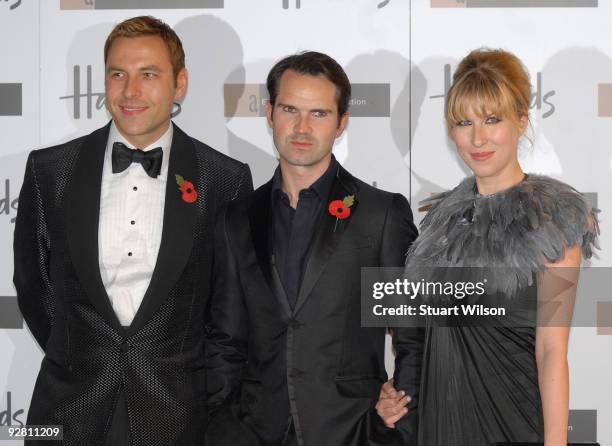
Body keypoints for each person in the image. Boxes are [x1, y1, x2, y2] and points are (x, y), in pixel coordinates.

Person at [13, 16, 252, 446]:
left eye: (149, 75)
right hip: (68, 408)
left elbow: (228, 308)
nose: (131, 92)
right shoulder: (50, 171)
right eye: (118, 74)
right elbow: (35, 286)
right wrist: (83, 355)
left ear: (180, 84)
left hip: (179, 415)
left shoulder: (224, 180)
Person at [376, 48, 599, 446]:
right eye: (464, 122)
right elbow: (419, 336)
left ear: (522, 120)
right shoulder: (437, 224)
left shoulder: (553, 217)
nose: (477, 138)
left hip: (514, 421)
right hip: (440, 423)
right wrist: (393, 390)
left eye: (492, 119)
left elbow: (551, 350)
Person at [205, 51, 423, 446]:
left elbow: (414, 336)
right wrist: (221, 425)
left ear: (342, 123)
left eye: (319, 114)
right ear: (269, 113)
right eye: (290, 109)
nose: (302, 127)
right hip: (254, 432)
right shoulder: (236, 218)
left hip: (354, 432)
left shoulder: (381, 215)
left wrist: (394, 424)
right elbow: (226, 339)